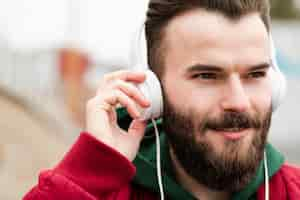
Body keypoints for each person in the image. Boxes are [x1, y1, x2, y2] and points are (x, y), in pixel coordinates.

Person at [23, 0, 300, 199]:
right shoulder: (100, 193)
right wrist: (91, 170)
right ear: (153, 92)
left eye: (255, 74)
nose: (238, 102)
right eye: (206, 75)